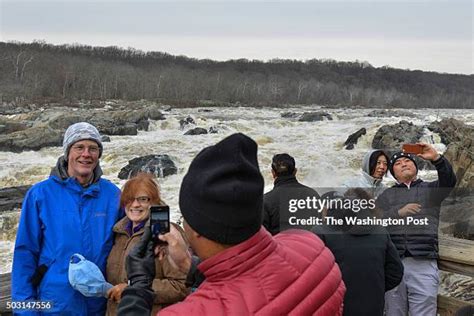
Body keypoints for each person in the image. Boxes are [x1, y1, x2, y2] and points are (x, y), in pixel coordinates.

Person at [117, 133, 346, 315]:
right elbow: (252, 280)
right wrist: (190, 267)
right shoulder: (310, 246)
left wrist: (138, 286)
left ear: (195, 230)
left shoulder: (193, 311)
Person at [12, 122, 122, 315]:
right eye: (79, 147)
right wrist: (25, 310)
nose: (86, 154)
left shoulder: (113, 195)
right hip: (54, 304)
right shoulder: (40, 195)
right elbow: (25, 254)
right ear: (67, 152)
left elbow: (128, 242)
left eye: (93, 148)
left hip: (99, 305)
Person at [377, 143, 457, 316]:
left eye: (407, 161)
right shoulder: (386, 195)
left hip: (423, 261)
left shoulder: (430, 189)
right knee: (393, 311)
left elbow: (449, 181)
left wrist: (437, 159)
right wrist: (398, 213)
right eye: (398, 164)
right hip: (393, 262)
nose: (404, 164)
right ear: (393, 173)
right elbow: (374, 221)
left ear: (416, 167)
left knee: (424, 311)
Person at [106, 173, 188, 315]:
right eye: (130, 199)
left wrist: (131, 290)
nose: (135, 204)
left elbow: (181, 286)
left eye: (143, 199)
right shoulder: (118, 233)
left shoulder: (165, 234)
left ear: (154, 203)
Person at [313, 188, 403, 316]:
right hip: (373, 306)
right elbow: (396, 271)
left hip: (335, 306)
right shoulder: (380, 231)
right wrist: (374, 287)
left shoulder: (320, 232)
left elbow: (311, 275)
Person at [263, 153, 320, 235]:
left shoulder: (266, 200)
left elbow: (263, 236)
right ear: (295, 171)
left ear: (273, 173)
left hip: (281, 246)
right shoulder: (312, 194)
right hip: (310, 245)